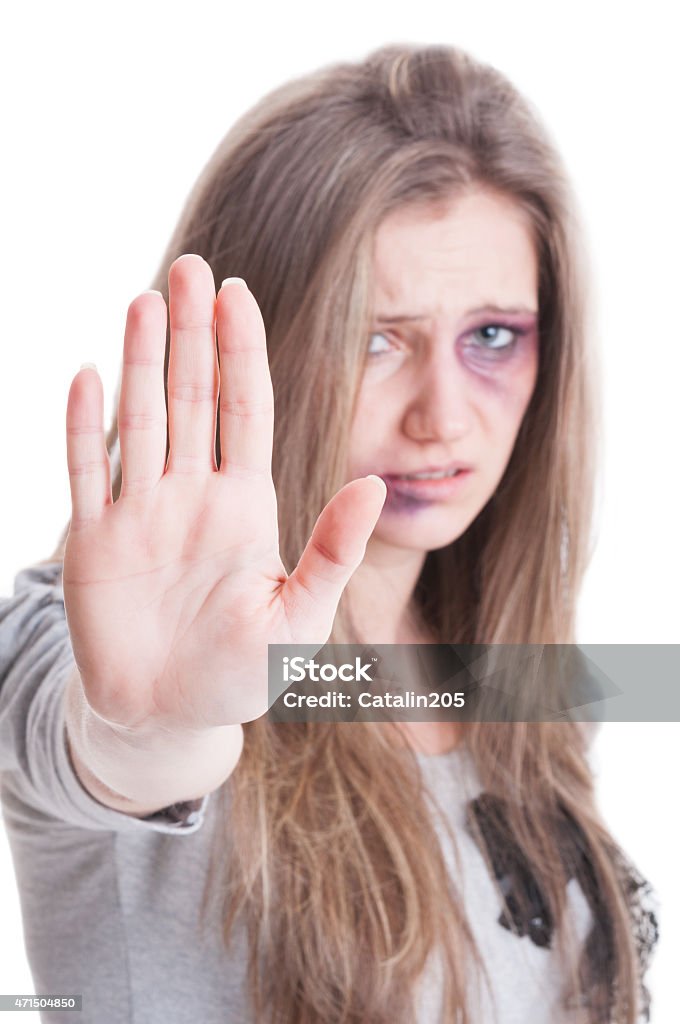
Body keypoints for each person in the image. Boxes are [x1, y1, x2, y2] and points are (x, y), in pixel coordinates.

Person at [0, 42, 659, 1024]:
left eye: (490, 337)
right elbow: (104, 739)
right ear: (249, 350)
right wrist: (155, 725)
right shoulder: (107, 645)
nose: (441, 416)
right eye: (374, 339)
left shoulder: (514, 675)